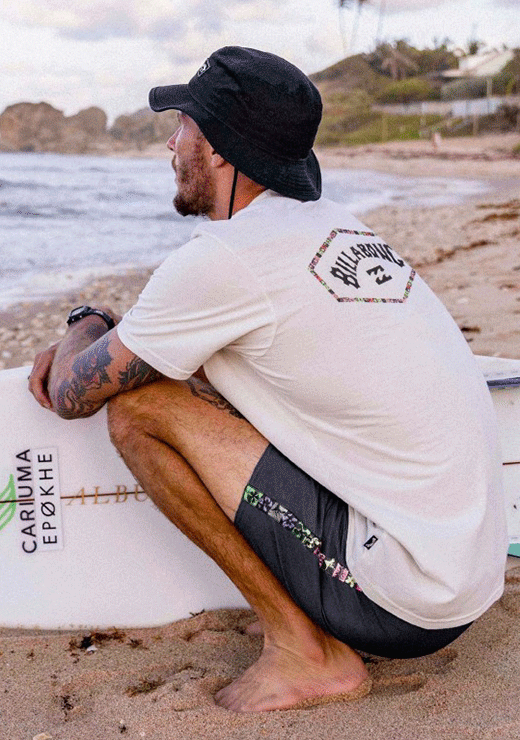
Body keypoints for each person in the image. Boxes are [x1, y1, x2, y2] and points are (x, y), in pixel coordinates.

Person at [29, 46, 508, 713]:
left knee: (139, 410)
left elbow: (71, 394)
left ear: (218, 149)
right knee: (215, 375)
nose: (171, 144)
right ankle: (308, 603)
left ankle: (305, 651)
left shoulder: (226, 260)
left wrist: (86, 321)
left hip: (405, 598)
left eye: (183, 127)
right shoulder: (338, 227)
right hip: (467, 573)